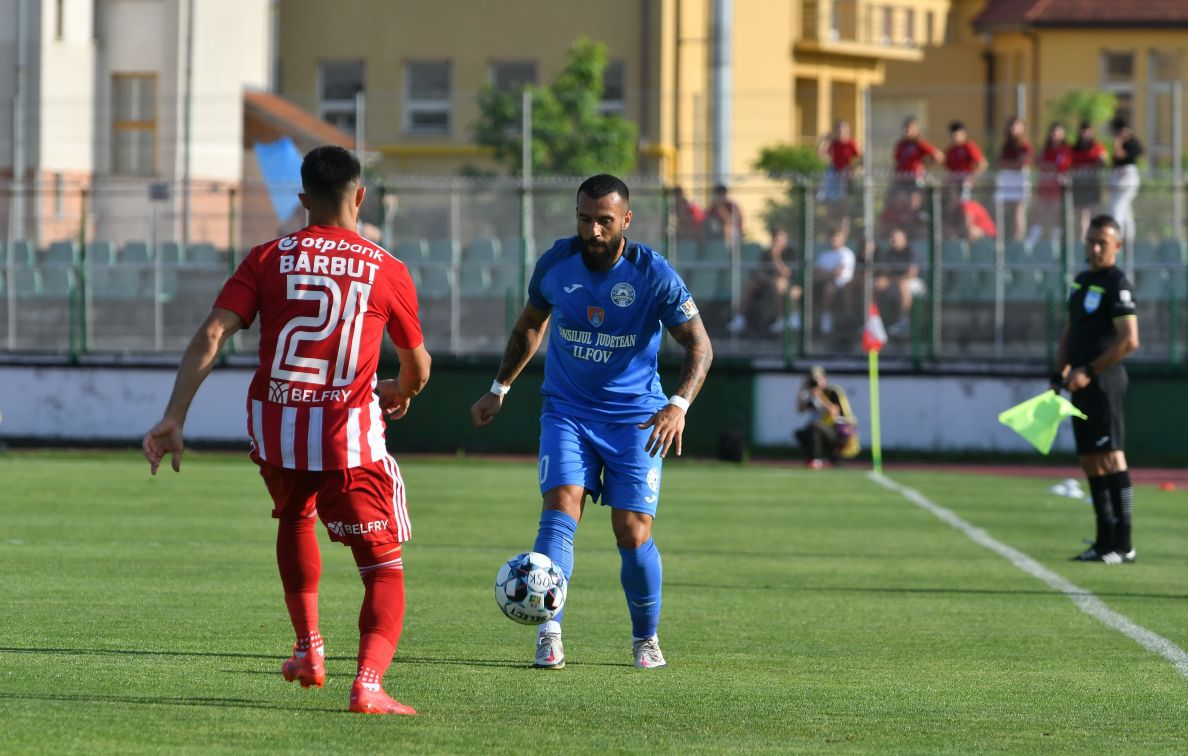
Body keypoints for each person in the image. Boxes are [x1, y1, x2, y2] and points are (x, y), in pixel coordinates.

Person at [141, 145, 432, 715]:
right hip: (346, 436)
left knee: (294, 516)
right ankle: (368, 684)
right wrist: (403, 390)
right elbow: (417, 366)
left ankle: (309, 650)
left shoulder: (266, 258)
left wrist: (175, 415)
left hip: (277, 431)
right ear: (360, 196)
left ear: (303, 200)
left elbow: (211, 335)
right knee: (382, 567)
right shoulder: (387, 268)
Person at [470, 174, 713, 670]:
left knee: (632, 530)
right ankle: (549, 631)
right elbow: (529, 327)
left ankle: (645, 638)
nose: (594, 230)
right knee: (561, 507)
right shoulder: (557, 263)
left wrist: (678, 405)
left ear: (626, 220)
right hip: (568, 410)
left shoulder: (654, 274)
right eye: (585, 219)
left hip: (636, 420)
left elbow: (699, 345)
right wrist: (499, 389)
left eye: (605, 220)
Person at [1053, 214, 1139, 563]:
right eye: (1091, 241)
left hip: (1104, 383)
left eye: (1103, 241)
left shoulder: (1118, 283)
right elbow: (1070, 330)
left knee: (1111, 457)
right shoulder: (1081, 281)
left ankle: (1125, 543)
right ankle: (1104, 542)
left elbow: (1129, 341)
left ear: (1117, 245)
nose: (1095, 247)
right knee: (1090, 461)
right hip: (1079, 382)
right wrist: (1058, 373)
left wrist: (1089, 370)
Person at [729, 227, 801, 338]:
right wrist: (767, 279)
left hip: (788, 283)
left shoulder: (790, 252)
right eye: (775, 238)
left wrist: (775, 257)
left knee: (779, 284)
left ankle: (782, 319)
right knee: (751, 285)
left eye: (779, 238)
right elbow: (760, 272)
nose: (776, 241)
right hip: (768, 283)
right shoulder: (766, 253)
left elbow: (786, 273)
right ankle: (740, 319)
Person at [794, 366, 858, 468]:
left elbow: (834, 412)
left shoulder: (833, 391)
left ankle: (816, 460)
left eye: (818, 378)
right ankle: (814, 457)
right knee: (802, 433)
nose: (816, 381)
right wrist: (802, 389)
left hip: (840, 431)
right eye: (813, 379)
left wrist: (820, 396)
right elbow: (800, 409)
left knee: (815, 425)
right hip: (824, 431)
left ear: (824, 378)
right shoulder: (814, 394)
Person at [1027, 122, 1071, 248]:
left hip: (1058, 187)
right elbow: (1038, 163)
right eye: (1053, 132)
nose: (1055, 135)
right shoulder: (1045, 150)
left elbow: (1060, 167)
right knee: (1040, 215)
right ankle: (1030, 245)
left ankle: (1054, 244)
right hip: (1044, 186)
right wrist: (1047, 167)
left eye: (1058, 132)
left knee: (1057, 217)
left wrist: (1047, 167)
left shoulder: (1065, 150)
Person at [873, 227, 924, 335]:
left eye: (896, 237)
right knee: (876, 284)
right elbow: (883, 272)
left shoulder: (911, 251)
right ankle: (873, 321)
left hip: (916, 284)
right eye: (891, 237)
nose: (893, 240)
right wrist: (883, 279)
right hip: (894, 283)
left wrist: (890, 281)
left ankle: (904, 322)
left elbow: (911, 274)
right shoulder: (889, 253)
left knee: (903, 285)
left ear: (904, 239)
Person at [818, 120, 861, 234]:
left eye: (844, 131)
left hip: (846, 178)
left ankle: (844, 233)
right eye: (839, 131)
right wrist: (824, 140)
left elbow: (859, 159)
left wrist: (850, 169)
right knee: (830, 207)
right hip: (834, 176)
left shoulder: (851, 143)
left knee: (844, 209)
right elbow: (821, 156)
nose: (842, 134)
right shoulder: (834, 144)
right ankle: (831, 232)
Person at [995, 116, 1033, 242]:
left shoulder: (1025, 146)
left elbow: (1019, 165)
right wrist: (1009, 164)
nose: (1013, 129)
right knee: (1004, 213)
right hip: (1005, 182)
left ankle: (1018, 241)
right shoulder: (1005, 146)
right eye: (1011, 126)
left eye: (1016, 126)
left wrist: (1007, 164)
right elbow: (998, 162)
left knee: (1018, 213)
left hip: (1019, 182)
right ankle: (1003, 239)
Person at [813, 228, 857, 335]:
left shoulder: (847, 254)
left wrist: (826, 273)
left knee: (829, 288)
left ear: (843, 239)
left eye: (837, 236)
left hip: (843, 285)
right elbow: (816, 273)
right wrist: (830, 273)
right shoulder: (824, 255)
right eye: (832, 236)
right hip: (821, 283)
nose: (834, 239)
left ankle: (827, 320)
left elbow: (838, 272)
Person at [1108, 115, 1143, 248]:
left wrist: (1118, 141)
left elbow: (1119, 154)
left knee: (1117, 209)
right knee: (1125, 210)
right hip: (1121, 175)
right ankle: (1128, 241)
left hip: (1127, 176)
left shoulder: (1130, 142)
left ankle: (1117, 240)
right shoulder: (1127, 140)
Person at [1070, 121, 1107, 241]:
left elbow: (1102, 162)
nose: (1085, 134)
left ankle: (1096, 237)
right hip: (1079, 184)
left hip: (1092, 184)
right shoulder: (1074, 149)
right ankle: (1082, 239)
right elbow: (1070, 164)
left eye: (1088, 131)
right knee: (1082, 213)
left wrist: (1099, 161)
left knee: (1094, 212)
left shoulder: (1097, 147)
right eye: (1083, 131)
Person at [892, 116, 943, 191]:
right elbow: (898, 161)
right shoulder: (901, 145)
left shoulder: (919, 143)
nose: (907, 130)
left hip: (915, 177)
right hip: (902, 178)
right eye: (906, 127)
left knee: (914, 200)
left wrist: (925, 163)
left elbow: (938, 155)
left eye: (910, 128)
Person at [943, 121, 987, 202]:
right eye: (952, 135)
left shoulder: (969, 146)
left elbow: (982, 164)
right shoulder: (950, 150)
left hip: (965, 184)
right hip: (954, 184)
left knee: (965, 205)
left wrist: (972, 177)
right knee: (954, 205)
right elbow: (949, 168)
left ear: (963, 133)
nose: (954, 138)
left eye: (956, 135)